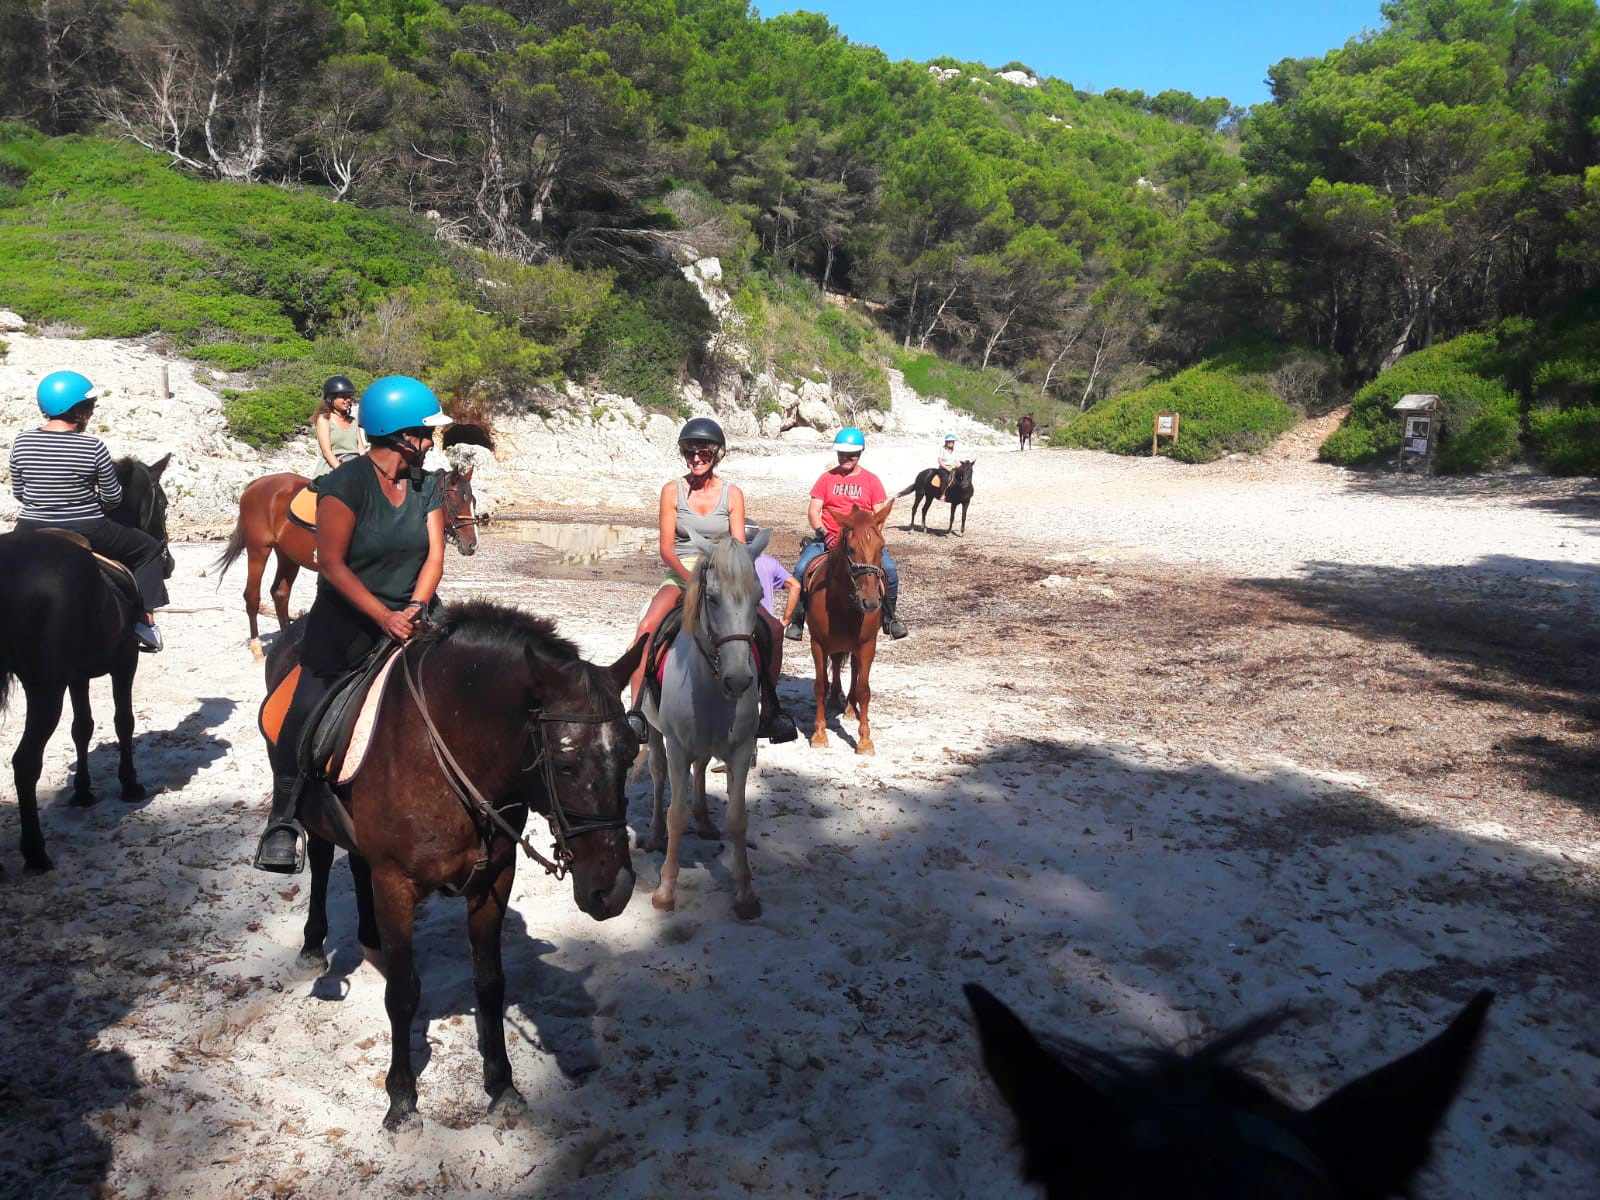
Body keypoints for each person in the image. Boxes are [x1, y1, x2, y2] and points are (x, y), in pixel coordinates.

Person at [254, 375, 451, 873]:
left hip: (417, 610)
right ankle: (284, 818)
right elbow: (334, 565)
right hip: (348, 614)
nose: (431, 443)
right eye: (426, 433)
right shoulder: (344, 485)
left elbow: (434, 557)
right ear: (400, 435)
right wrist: (383, 615)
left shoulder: (428, 484)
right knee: (305, 704)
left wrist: (416, 607)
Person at [9, 370, 168, 651]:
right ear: (79, 411)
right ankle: (146, 623)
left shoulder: (21, 442)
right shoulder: (93, 446)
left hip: (29, 528)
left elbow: (19, 493)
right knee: (150, 549)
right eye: (90, 408)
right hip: (87, 527)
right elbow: (112, 498)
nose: (91, 414)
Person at [624, 417, 745, 742]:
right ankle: (636, 712)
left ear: (716, 453)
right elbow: (666, 548)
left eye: (703, 451)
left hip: (722, 574)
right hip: (680, 574)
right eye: (690, 451)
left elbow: (738, 545)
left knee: (765, 630)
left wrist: (724, 577)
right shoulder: (672, 491)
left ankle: (767, 711)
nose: (696, 457)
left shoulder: (732, 494)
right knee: (647, 629)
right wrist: (691, 578)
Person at [785, 426, 908, 641]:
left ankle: (890, 618)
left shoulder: (871, 480)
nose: (846, 458)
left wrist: (868, 541)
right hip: (829, 538)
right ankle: (798, 619)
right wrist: (824, 534)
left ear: (859, 454)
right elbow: (814, 511)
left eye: (851, 454)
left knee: (890, 570)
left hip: (860, 542)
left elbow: (879, 515)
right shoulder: (826, 479)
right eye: (842, 453)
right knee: (800, 568)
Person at [312, 376, 364, 476]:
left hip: (355, 466)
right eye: (343, 397)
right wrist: (342, 471)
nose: (348, 400)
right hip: (332, 468)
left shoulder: (353, 421)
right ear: (330, 398)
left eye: (349, 396)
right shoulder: (324, 419)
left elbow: (360, 448)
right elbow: (327, 451)